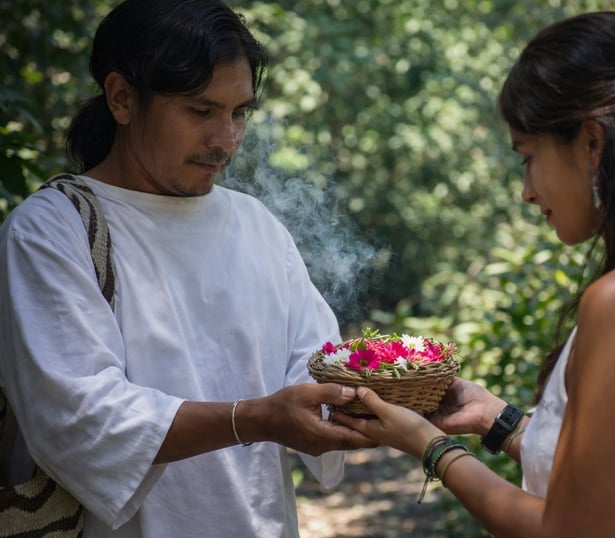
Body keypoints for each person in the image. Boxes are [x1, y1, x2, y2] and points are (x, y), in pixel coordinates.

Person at [335, 11, 615, 538]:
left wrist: (427, 444)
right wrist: (495, 418)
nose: (527, 191)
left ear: (592, 143)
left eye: (527, 156)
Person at [0, 0, 374, 536]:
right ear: (122, 98)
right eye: (200, 111)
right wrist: (256, 418)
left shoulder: (256, 224)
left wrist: (375, 396)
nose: (225, 139)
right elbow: (81, 417)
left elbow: (314, 369)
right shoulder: (52, 230)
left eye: (239, 112)